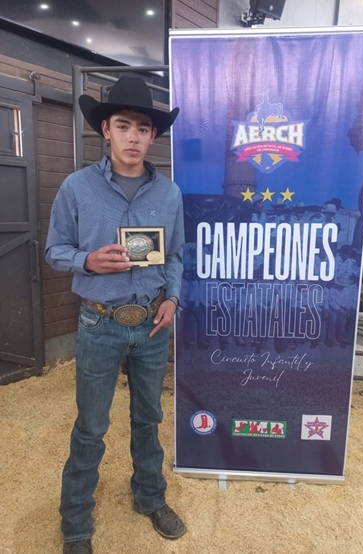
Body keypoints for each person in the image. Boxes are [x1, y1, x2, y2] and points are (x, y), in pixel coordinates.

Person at [45, 75, 186, 554]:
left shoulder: (169, 194)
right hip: (98, 321)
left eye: (143, 128)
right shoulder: (76, 187)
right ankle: (76, 522)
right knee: (91, 426)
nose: (133, 137)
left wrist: (172, 299)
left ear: (153, 135)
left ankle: (150, 496)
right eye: (123, 126)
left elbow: (175, 256)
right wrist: (86, 260)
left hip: (151, 322)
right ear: (105, 129)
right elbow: (54, 249)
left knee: (149, 417)